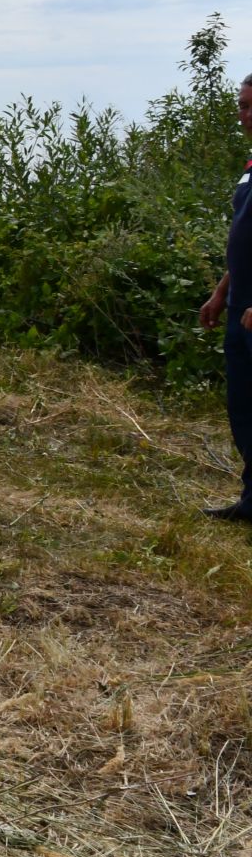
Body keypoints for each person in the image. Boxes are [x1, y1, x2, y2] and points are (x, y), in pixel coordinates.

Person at [199, 73, 252, 524]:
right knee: (243, 405)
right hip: (240, 307)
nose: (245, 115)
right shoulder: (251, 166)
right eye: (242, 105)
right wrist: (221, 293)